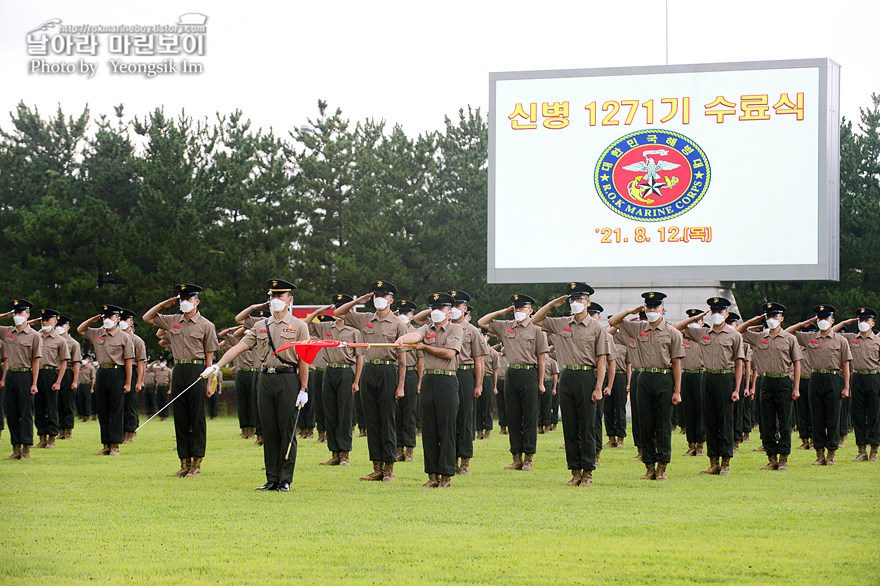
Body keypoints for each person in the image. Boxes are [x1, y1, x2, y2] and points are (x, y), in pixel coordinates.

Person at [203, 279, 309, 492]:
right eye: (272, 296)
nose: (275, 300)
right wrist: (217, 365)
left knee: (286, 429)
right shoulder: (261, 326)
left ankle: (285, 479)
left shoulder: (299, 326)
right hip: (265, 379)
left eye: (279, 296)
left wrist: (303, 389)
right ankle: (272, 478)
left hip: (288, 379)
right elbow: (239, 347)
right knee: (268, 430)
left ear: (289, 300)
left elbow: (304, 359)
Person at [531, 283, 608, 486]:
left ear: (587, 302)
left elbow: (601, 360)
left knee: (587, 426)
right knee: (571, 426)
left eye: (580, 300)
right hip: (567, 376)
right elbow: (536, 320)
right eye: (572, 300)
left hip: (587, 376)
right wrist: (550, 304)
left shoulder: (598, 328)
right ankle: (575, 471)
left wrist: (599, 387)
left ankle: (588, 472)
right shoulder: (562, 323)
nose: (576, 303)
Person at [334, 281, 408, 482]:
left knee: (387, 420)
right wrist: (359, 300)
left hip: (387, 371)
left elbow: (402, 358)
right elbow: (339, 313)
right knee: (371, 422)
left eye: (383, 296)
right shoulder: (365, 318)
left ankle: (389, 468)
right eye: (376, 295)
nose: (379, 299)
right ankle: (377, 467)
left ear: (391, 300)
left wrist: (401, 385)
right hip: (369, 370)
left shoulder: (399, 324)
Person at [143, 284, 219, 478]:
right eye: (182, 299)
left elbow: (209, 357)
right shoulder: (173, 321)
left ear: (197, 302)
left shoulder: (206, 325)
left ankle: (197, 464)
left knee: (197, 418)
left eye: (189, 299)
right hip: (178, 369)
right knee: (181, 417)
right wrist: (163, 304)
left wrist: (209, 381)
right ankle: (184, 463)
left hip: (197, 369)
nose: (185, 303)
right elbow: (147, 318)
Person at [609, 292, 684, 480]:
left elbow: (676, 363)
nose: (652, 311)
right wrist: (630, 311)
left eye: (655, 308)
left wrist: (677, 391)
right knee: (646, 425)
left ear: (662, 309)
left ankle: (662, 467)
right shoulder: (638, 328)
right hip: (642, 378)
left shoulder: (672, 333)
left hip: (664, 379)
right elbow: (613, 322)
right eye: (648, 308)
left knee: (663, 425)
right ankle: (649, 466)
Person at [395, 292, 463, 488]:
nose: (435, 312)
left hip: (447, 381)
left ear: (449, 312)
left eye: (440, 308)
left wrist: (424, 347)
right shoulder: (427, 328)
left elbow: (450, 353)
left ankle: (446, 476)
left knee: (446, 429)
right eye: (433, 308)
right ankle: (432, 475)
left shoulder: (455, 329)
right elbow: (415, 334)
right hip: (428, 380)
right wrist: (403, 338)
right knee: (429, 430)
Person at [479, 294, 549, 472]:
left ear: (530, 311)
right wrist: (503, 312)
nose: (518, 311)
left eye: (522, 308)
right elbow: (482, 322)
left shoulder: (536, 329)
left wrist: (541, 382)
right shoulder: (506, 326)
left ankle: (529, 458)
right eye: (516, 308)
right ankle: (516, 457)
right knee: (513, 417)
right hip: (512, 373)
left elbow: (541, 358)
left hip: (529, 374)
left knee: (530, 417)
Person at [674, 298, 744, 476]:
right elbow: (677, 328)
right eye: (713, 312)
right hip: (707, 378)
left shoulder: (734, 335)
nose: (717, 315)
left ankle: (726, 462)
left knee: (725, 420)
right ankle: (713, 462)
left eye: (720, 312)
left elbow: (738, 364)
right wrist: (695, 317)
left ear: (726, 314)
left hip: (725, 378)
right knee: (710, 421)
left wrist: (737, 389)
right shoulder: (703, 333)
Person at [737, 303, 802, 470]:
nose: (772, 319)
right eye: (769, 316)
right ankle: (771, 458)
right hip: (765, 382)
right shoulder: (760, 337)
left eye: (775, 316)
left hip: (783, 381)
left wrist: (796, 387)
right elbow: (740, 332)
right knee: (766, 423)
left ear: (782, 318)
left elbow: (797, 363)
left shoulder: (790, 338)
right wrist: (753, 320)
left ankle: (783, 459)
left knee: (785, 422)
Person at [786, 305, 852, 465]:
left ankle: (831, 454)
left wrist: (846, 386)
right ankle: (819, 454)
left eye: (826, 318)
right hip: (815, 378)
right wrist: (803, 324)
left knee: (833, 417)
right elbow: (787, 333)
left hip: (833, 378)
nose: (823, 321)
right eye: (820, 318)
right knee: (817, 417)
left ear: (832, 320)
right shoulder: (811, 337)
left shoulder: (840, 340)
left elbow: (845, 365)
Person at [305, 297, 364, 467]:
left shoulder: (354, 332)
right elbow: (304, 325)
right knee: (329, 412)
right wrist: (317, 312)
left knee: (344, 413)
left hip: (346, 372)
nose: (340, 312)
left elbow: (359, 357)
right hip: (329, 371)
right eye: (337, 308)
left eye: (343, 308)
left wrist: (356, 380)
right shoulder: (325, 327)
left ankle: (345, 453)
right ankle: (334, 453)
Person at [77, 305, 134, 456]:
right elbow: (80, 329)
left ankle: (115, 445)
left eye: (111, 317)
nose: (108, 320)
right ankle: (106, 444)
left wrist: (128, 382)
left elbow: (128, 361)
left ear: (117, 319)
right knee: (103, 409)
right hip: (101, 371)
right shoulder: (98, 333)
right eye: (105, 317)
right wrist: (93, 320)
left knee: (116, 409)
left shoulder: (124, 337)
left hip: (117, 372)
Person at [831, 308, 880, 462]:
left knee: (875, 415)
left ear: (872, 323)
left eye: (866, 320)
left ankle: (874, 450)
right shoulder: (851, 338)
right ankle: (861, 450)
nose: (863, 323)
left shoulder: (878, 340)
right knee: (858, 415)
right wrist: (845, 322)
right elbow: (831, 332)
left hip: (874, 377)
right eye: (860, 320)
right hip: (857, 377)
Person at [1, 300, 42, 460]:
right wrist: (3, 316)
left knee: (25, 413)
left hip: (26, 375)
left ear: (27, 315)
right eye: (15, 313)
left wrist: (34, 382)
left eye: (20, 313)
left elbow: (36, 361)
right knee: (11, 413)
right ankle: (15, 448)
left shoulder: (34, 336)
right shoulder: (7, 332)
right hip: (11, 374)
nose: (17, 316)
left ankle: (26, 448)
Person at [33, 309, 70, 449]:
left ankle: (52, 438)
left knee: (52, 407)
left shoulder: (60, 340)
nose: (44, 323)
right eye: (42, 320)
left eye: (47, 320)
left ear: (54, 322)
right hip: (37, 373)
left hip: (51, 374)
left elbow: (63, 362)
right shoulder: (36, 337)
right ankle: (42, 437)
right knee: (39, 407)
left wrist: (58, 381)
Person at [392, 299, 419, 462]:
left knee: (409, 412)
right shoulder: (393, 330)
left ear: (412, 316)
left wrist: (420, 381)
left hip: (410, 373)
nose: (403, 316)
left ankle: (409, 449)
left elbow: (420, 360)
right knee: (395, 412)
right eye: (400, 313)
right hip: (393, 371)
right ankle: (398, 448)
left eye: (406, 313)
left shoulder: (416, 333)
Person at [678, 309, 706, 457]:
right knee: (688, 411)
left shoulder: (706, 336)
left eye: (697, 321)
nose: (694, 324)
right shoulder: (684, 336)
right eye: (691, 321)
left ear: (702, 323)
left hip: (701, 375)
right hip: (686, 375)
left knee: (701, 411)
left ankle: (700, 444)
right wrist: (691, 321)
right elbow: (677, 327)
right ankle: (691, 445)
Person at [119, 309, 147, 444]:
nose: (122, 323)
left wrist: (139, 381)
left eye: (125, 320)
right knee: (119, 404)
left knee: (131, 404)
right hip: (119, 372)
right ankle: (120, 431)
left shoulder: (137, 341)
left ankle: (130, 432)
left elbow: (141, 363)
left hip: (133, 372)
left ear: (131, 323)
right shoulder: (115, 337)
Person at [56, 315, 81, 440]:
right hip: (56, 371)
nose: (59, 328)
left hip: (67, 373)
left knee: (67, 403)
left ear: (67, 327)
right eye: (57, 325)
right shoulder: (53, 340)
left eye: (61, 325)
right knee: (58, 403)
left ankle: (68, 430)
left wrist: (75, 381)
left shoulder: (73, 343)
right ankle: (61, 429)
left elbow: (76, 363)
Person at [477, 329, 499, 440]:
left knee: (487, 406)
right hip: (477, 379)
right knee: (477, 406)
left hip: (487, 379)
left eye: (484, 336)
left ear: (488, 338)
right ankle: (479, 431)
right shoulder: (475, 351)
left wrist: (495, 386)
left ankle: (488, 431)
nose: (482, 337)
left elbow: (495, 371)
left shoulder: (493, 353)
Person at [77, 354, 95, 422]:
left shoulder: (91, 368)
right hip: (80, 385)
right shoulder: (80, 367)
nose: (84, 361)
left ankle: (88, 416)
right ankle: (83, 416)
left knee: (87, 401)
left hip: (87, 385)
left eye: (85, 359)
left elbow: (92, 378)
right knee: (81, 401)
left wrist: (92, 388)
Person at [154, 357, 172, 421]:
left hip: (165, 386)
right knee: (159, 402)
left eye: (163, 362)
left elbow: (171, 380)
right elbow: (156, 380)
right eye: (161, 362)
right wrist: (156, 389)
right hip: (159, 386)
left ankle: (165, 416)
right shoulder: (158, 370)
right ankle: (161, 416)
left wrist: (170, 389)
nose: (162, 363)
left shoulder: (169, 370)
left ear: (166, 362)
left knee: (165, 402)